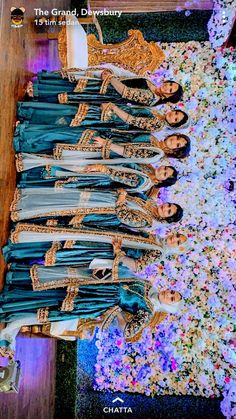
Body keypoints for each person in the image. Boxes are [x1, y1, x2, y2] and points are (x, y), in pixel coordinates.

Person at [10, 187, 183, 230]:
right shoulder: (151, 205)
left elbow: (124, 217)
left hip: (103, 211)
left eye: (168, 211)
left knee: (64, 210)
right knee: (67, 197)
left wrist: (122, 198)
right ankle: (27, 199)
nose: (164, 207)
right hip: (104, 198)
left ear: (165, 219)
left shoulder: (147, 222)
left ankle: (24, 213)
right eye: (168, 205)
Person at [14, 124, 190, 159]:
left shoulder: (156, 154)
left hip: (104, 146)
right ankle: (25, 134)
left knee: (63, 141)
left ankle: (24, 141)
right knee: (64, 134)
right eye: (177, 138)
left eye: (177, 144)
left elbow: (129, 153)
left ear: (174, 151)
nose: (174, 140)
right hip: (107, 137)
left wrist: (106, 144)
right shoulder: (154, 139)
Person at [26, 70, 183, 106]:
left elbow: (126, 92)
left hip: (108, 94)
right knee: (72, 84)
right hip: (107, 84)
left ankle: (37, 95)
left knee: (72, 95)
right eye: (170, 84)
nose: (167, 87)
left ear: (168, 97)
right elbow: (127, 78)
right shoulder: (152, 84)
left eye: (170, 90)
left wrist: (110, 78)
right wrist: (110, 73)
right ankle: (40, 86)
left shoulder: (151, 98)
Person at [16, 101, 189, 132]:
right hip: (108, 112)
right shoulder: (158, 114)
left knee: (66, 119)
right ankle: (28, 114)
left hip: (109, 117)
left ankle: (28, 119)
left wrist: (113, 108)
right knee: (67, 113)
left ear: (173, 125)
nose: (172, 115)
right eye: (175, 113)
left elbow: (131, 120)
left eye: (175, 119)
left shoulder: (157, 125)